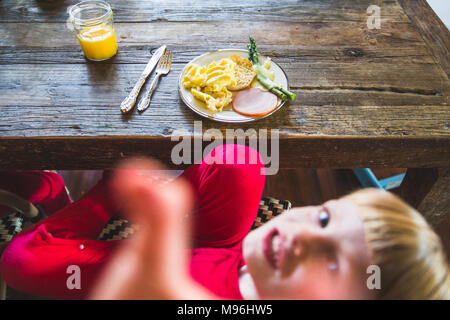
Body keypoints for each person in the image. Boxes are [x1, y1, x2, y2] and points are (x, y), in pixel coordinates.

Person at [1, 144, 448, 299]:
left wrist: (155, 282)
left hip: (141, 274)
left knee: (19, 261)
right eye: (326, 218)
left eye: (332, 260)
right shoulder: (272, 259)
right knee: (238, 161)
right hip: (220, 254)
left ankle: (70, 194)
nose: (304, 235)